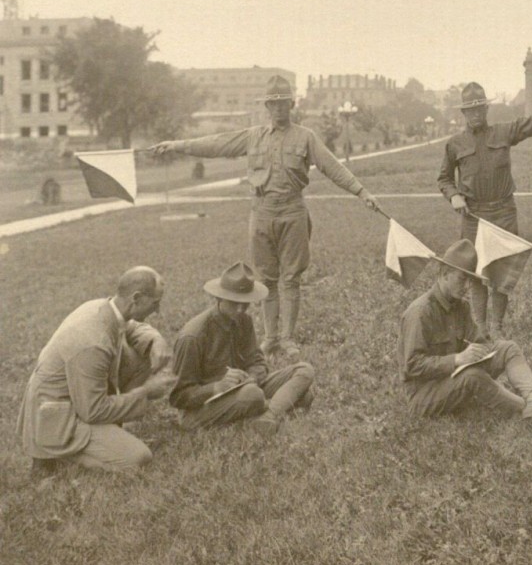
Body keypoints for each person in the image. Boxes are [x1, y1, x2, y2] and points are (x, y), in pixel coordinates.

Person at [150, 75, 381, 359]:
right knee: (266, 279)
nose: (279, 109)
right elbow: (216, 144)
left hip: (293, 211)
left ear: (292, 104)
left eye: (283, 103)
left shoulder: (306, 137)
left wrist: (362, 192)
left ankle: (288, 338)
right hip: (261, 212)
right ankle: (270, 338)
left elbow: (332, 167)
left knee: (291, 278)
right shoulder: (253, 136)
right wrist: (177, 144)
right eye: (273, 104)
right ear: (266, 107)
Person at [438, 79, 532, 336]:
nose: (475, 115)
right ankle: (480, 329)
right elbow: (444, 178)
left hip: (503, 212)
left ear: (486, 110)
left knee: (501, 274)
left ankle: (497, 327)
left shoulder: (504, 132)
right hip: (473, 216)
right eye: (470, 110)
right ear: (463, 113)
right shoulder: (455, 143)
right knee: (476, 272)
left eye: (480, 109)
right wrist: (454, 196)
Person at [17, 267, 177, 473]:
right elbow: (94, 411)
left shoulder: (105, 308)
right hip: (58, 416)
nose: (158, 310)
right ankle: (57, 454)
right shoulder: (92, 342)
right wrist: (145, 392)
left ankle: (107, 437)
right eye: (155, 303)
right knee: (138, 458)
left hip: (76, 400)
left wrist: (156, 339)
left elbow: (131, 327)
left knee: (142, 351)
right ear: (136, 298)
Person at [399, 239, 532, 422]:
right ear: (444, 274)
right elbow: (412, 366)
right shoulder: (420, 312)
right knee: (472, 377)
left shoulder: (461, 307)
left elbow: (480, 341)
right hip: (424, 395)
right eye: (462, 279)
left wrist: (482, 350)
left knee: (507, 348)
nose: (467, 286)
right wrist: (457, 359)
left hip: (454, 378)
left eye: (470, 281)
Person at [170, 262, 315, 436]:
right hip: (200, 408)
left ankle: (268, 416)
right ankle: (276, 405)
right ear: (219, 298)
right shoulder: (193, 336)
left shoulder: (244, 320)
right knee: (256, 395)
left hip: (243, 388)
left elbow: (256, 360)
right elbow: (178, 397)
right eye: (234, 303)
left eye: (245, 303)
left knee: (304, 370)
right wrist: (217, 387)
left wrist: (252, 376)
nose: (240, 309)